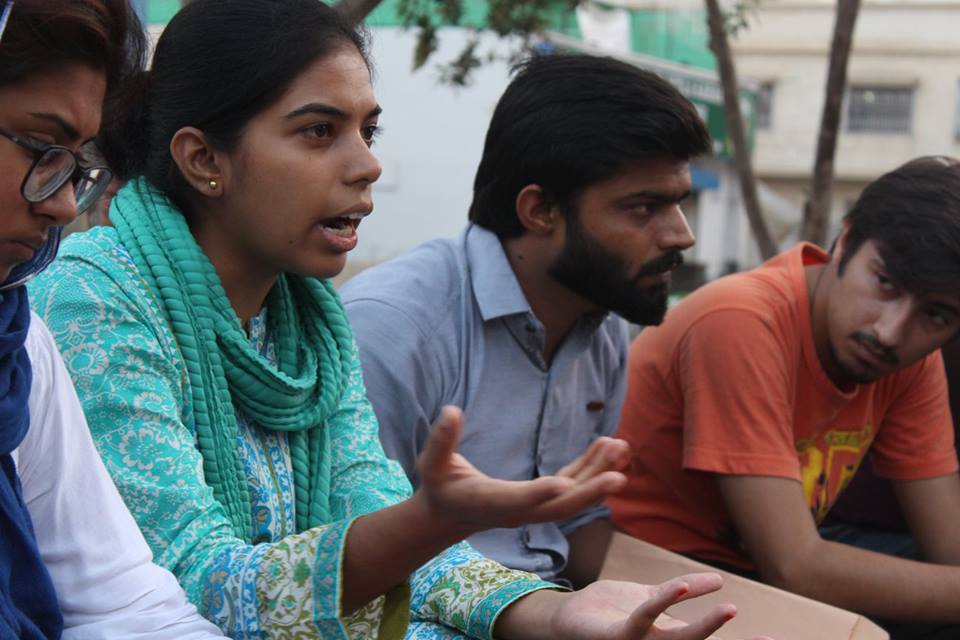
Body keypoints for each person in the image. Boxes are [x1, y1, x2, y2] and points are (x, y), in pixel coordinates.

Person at [29, 2, 758, 639]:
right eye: (319, 131)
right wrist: (432, 518)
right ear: (203, 159)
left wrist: (553, 615)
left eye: (367, 132)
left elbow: (375, 514)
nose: (368, 165)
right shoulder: (94, 299)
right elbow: (197, 582)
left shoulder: (307, 321)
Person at [342, 53, 706, 588]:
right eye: (643, 208)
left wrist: (701, 599)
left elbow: (575, 527)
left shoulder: (600, 318)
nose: (681, 235)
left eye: (680, 204)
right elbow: (350, 557)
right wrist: (545, 615)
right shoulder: (396, 326)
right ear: (540, 211)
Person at [607, 157, 960, 639]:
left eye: (936, 315)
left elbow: (949, 545)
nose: (890, 332)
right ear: (845, 240)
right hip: (644, 567)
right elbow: (795, 566)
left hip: (758, 563)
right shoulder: (741, 320)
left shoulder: (911, 362)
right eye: (885, 283)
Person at [0, 1, 227, 637]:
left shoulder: (18, 351)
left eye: (76, 161)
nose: (65, 203)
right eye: (42, 148)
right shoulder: (88, 294)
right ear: (200, 158)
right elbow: (198, 560)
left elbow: (119, 598)